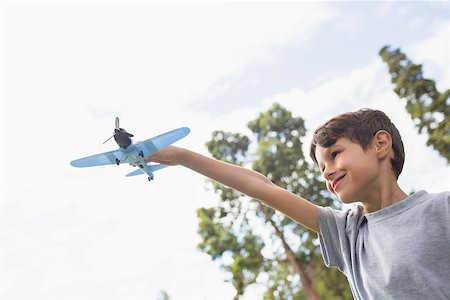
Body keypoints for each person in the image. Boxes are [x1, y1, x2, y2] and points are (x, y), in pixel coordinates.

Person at [145, 108, 449, 300]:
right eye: (321, 167)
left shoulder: (441, 211)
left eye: (335, 154)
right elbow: (260, 186)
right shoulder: (348, 233)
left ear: (380, 144)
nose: (328, 170)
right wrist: (181, 157)